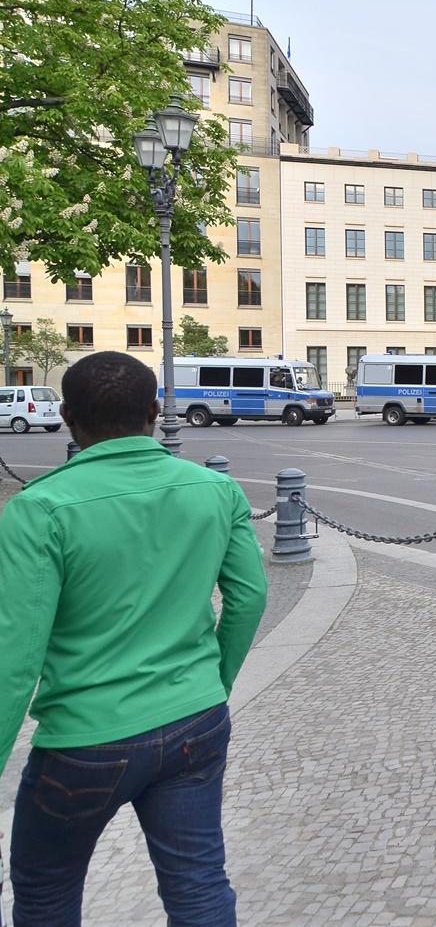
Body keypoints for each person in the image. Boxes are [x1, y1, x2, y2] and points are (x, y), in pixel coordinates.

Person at [0, 352, 268, 925]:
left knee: (46, 893)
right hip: (195, 721)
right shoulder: (215, 492)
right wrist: (211, 685)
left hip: (84, 739)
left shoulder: (38, 510)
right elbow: (248, 598)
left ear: (68, 417)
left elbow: (15, 656)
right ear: (153, 412)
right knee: (198, 883)